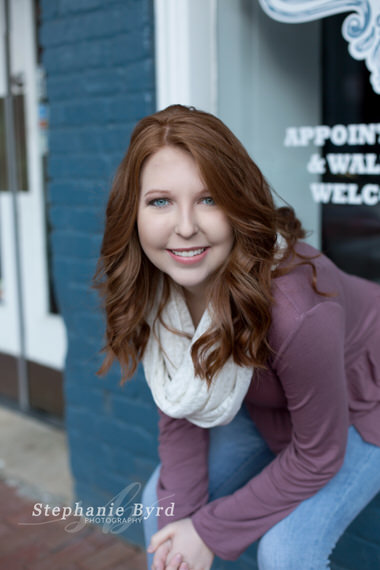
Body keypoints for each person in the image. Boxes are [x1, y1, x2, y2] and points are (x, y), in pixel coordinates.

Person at [94, 104, 380, 570]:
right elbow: (181, 404)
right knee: (160, 505)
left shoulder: (297, 311)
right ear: (133, 211)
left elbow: (319, 453)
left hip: (362, 399)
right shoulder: (164, 285)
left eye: (209, 199)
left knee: (287, 552)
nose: (185, 227)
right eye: (161, 201)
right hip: (271, 403)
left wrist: (207, 532)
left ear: (239, 203)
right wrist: (181, 531)